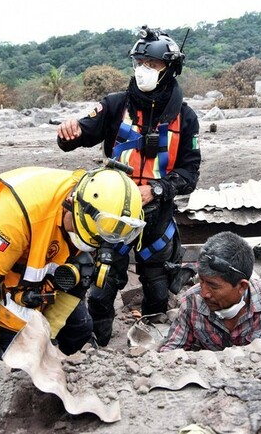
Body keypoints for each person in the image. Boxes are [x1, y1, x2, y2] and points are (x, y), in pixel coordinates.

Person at [57, 25, 201, 346]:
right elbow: (77, 136)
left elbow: (190, 174)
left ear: (170, 69)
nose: (143, 71)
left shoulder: (186, 118)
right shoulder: (115, 105)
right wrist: (68, 133)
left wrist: (158, 189)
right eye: (139, 63)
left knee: (158, 291)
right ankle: (97, 351)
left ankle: (149, 348)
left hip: (157, 221)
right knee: (100, 291)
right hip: (113, 219)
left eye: (152, 65)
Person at [0, 166, 146, 357]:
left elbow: (79, 279)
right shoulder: (14, 220)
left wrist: (49, 336)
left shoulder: (100, 218)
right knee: (12, 338)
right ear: (73, 205)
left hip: (48, 242)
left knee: (79, 330)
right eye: (83, 235)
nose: (91, 247)